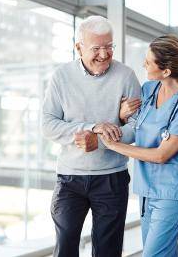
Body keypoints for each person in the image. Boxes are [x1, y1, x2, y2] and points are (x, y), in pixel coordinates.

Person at [41, 15, 141, 257]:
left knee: (108, 250)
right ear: (79, 47)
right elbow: (48, 125)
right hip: (70, 179)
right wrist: (92, 127)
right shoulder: (61, 77)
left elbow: (138, 127)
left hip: (112, 179)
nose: (104, 54)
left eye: (109, 46)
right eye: (96, 48)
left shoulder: (126, 76)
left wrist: (102, 140)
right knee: (65, 247)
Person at [100, 34, 178, 257]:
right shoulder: (149, 90)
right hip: (147, 188)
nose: (143, 64)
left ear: (165, 71)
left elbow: (161, 155)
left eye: (148, 62)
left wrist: (113, 145)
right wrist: (121, 115)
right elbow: (135, 125)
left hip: (173, 190)